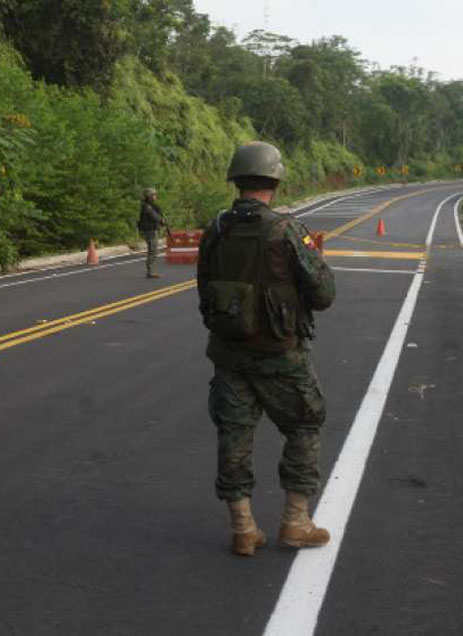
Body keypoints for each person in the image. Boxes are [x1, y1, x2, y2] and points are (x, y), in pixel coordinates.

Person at [195, 141, 336, 556]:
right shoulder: (286, 230)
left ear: (236, 179)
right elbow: (324, 293)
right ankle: (295, 522)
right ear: (274, 180)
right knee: (306, 423)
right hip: (280, 355)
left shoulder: (216, 229)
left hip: (228, 353)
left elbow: (204, 290)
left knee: (234, 434)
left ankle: (243, 528)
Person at [137, 187, 167, 278]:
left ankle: (150, 271)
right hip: (150, 231)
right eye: (153, 195)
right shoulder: (147, 207)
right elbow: (154, 217)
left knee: (154, 251)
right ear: (148, 196)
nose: (155, 196)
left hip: (151, 230)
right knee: (153, 251)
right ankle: (150, 272)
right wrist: (161, 221)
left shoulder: (150, 206)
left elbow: (156, 215)